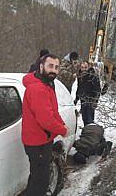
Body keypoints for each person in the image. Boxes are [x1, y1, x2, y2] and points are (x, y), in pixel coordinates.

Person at [22, 54, 69, 196]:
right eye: (50, 66)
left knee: (37, 177)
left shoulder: (47, 85)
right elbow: (46, 120)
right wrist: (62, 130)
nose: (53, 70)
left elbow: (53, 111)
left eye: (56, 67)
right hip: (38, 142)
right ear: (41, 67)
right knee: (40, 182)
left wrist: (62, 124)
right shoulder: (38, 89)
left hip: (43, 139)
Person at [74, 61, 101, 126]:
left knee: (89, 119)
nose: (84, 69)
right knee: (84, 118)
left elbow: (97, 90)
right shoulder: (80, 76)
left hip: (90, 100)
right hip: (83, 99)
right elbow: (79, 87)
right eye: (82, 67)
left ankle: (90, 133)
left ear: (89, 67)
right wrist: (76, 98)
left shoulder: (93, 76)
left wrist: (95, 101)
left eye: (85, 67)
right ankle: (86, 131)